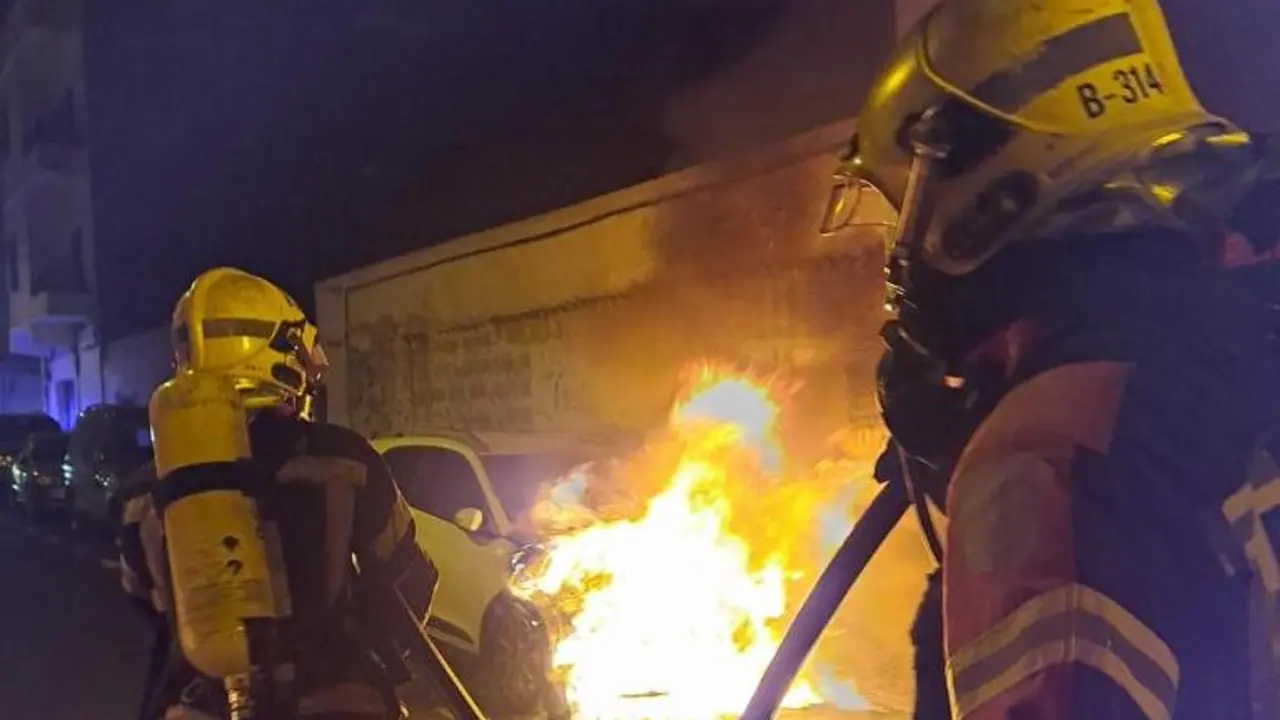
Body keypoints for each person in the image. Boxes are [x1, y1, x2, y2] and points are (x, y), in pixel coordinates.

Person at [821, 0, 1280, 716]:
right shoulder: (1241, 329)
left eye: (900, 207)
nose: (900, 256)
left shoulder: (1052, 461)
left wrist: (1011, 499)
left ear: (988, 200)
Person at [122, 267, 442, 719]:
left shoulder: (143, 490)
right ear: (272, 356)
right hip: (333, 703)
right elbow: (411, 578)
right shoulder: (344, 457)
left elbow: (144, 595)